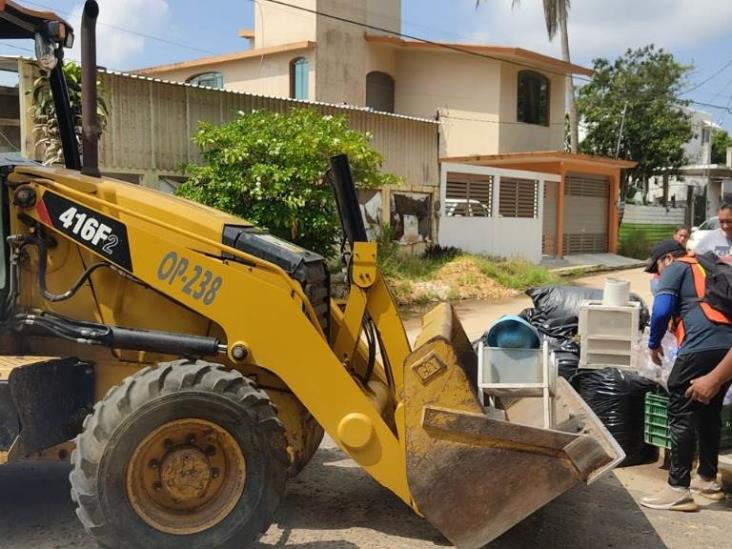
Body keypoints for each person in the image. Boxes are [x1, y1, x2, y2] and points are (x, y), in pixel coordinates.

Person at [640, 240, 732, 511]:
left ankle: (677, 488)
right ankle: (706, 479)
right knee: (708, 411)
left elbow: (661, 309)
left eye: (657, 267)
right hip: (726, 351)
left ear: (667, 258)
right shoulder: (708, 265)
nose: (658, 274)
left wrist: (654, 342)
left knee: (680, 409)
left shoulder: (677, 266)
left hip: (699, 345)